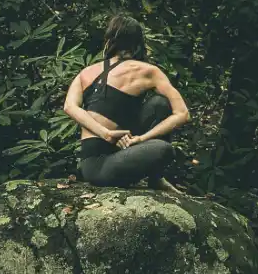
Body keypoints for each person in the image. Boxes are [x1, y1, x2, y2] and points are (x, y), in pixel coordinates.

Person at [64, 14, 190, 189]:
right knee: (165, 149)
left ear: (109, 40)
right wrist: (107, 134)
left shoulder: (86, 72)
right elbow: (183, 113)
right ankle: (156, 176)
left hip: (95, 161)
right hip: (101, 166)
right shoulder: (148, 71)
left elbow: (69, 106)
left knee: (159, 104)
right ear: (138, 43)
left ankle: (156, 179)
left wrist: (140, 139)